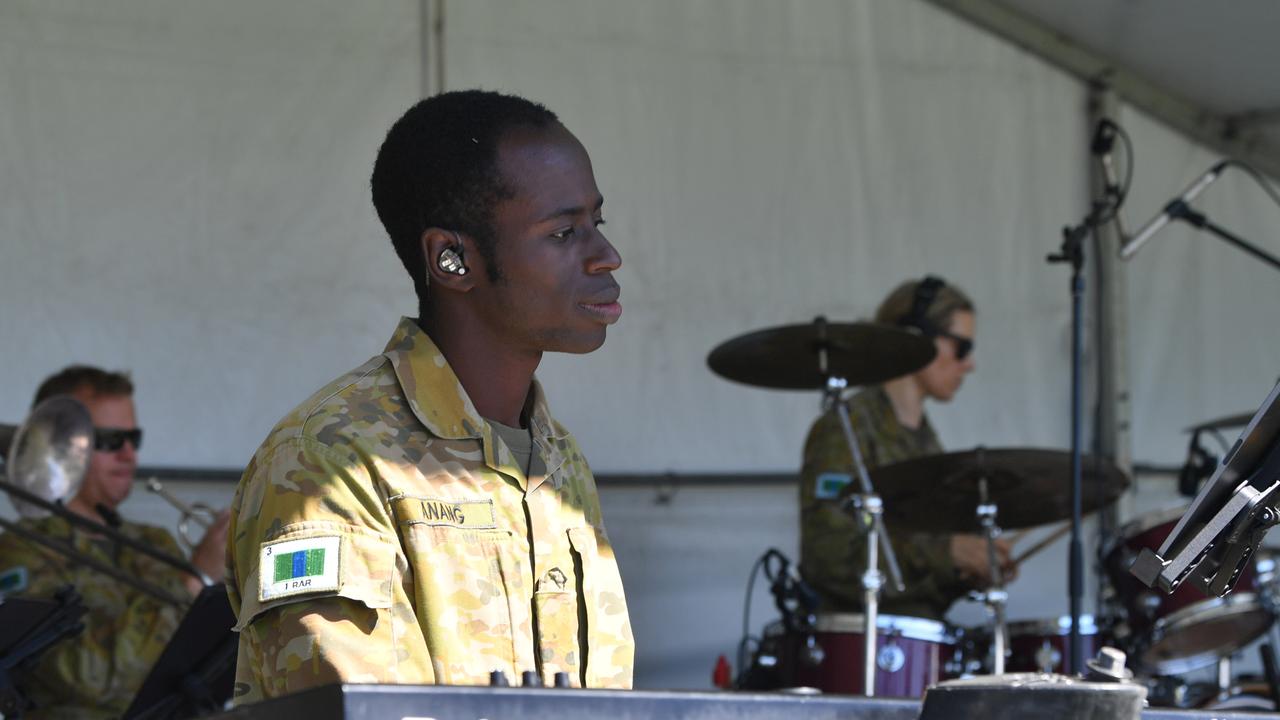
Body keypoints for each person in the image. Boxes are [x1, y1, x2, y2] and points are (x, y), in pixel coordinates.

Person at [225, 90, 634, 704]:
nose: (606, 256)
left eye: (596, 224)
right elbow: (358, 713)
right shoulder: (327, 463)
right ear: (452, 259)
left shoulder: (558, 458)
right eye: (564, 231)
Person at [0, 365, 230, 719]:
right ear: (54, 446)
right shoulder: (21, 550)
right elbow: (82, 677)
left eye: (132, 439)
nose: (128, 455)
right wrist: (195, 578)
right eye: (109, 440)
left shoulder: (154, 540)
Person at [798, 276, 1015, 621]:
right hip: (860, 644)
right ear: (917, 339)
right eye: (961, 347)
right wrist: (947, 554)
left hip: (920, 638)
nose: (969, 364)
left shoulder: (926, 442)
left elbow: (921, 572)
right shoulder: (845, 430)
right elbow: (828, 559)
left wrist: (971, 569)